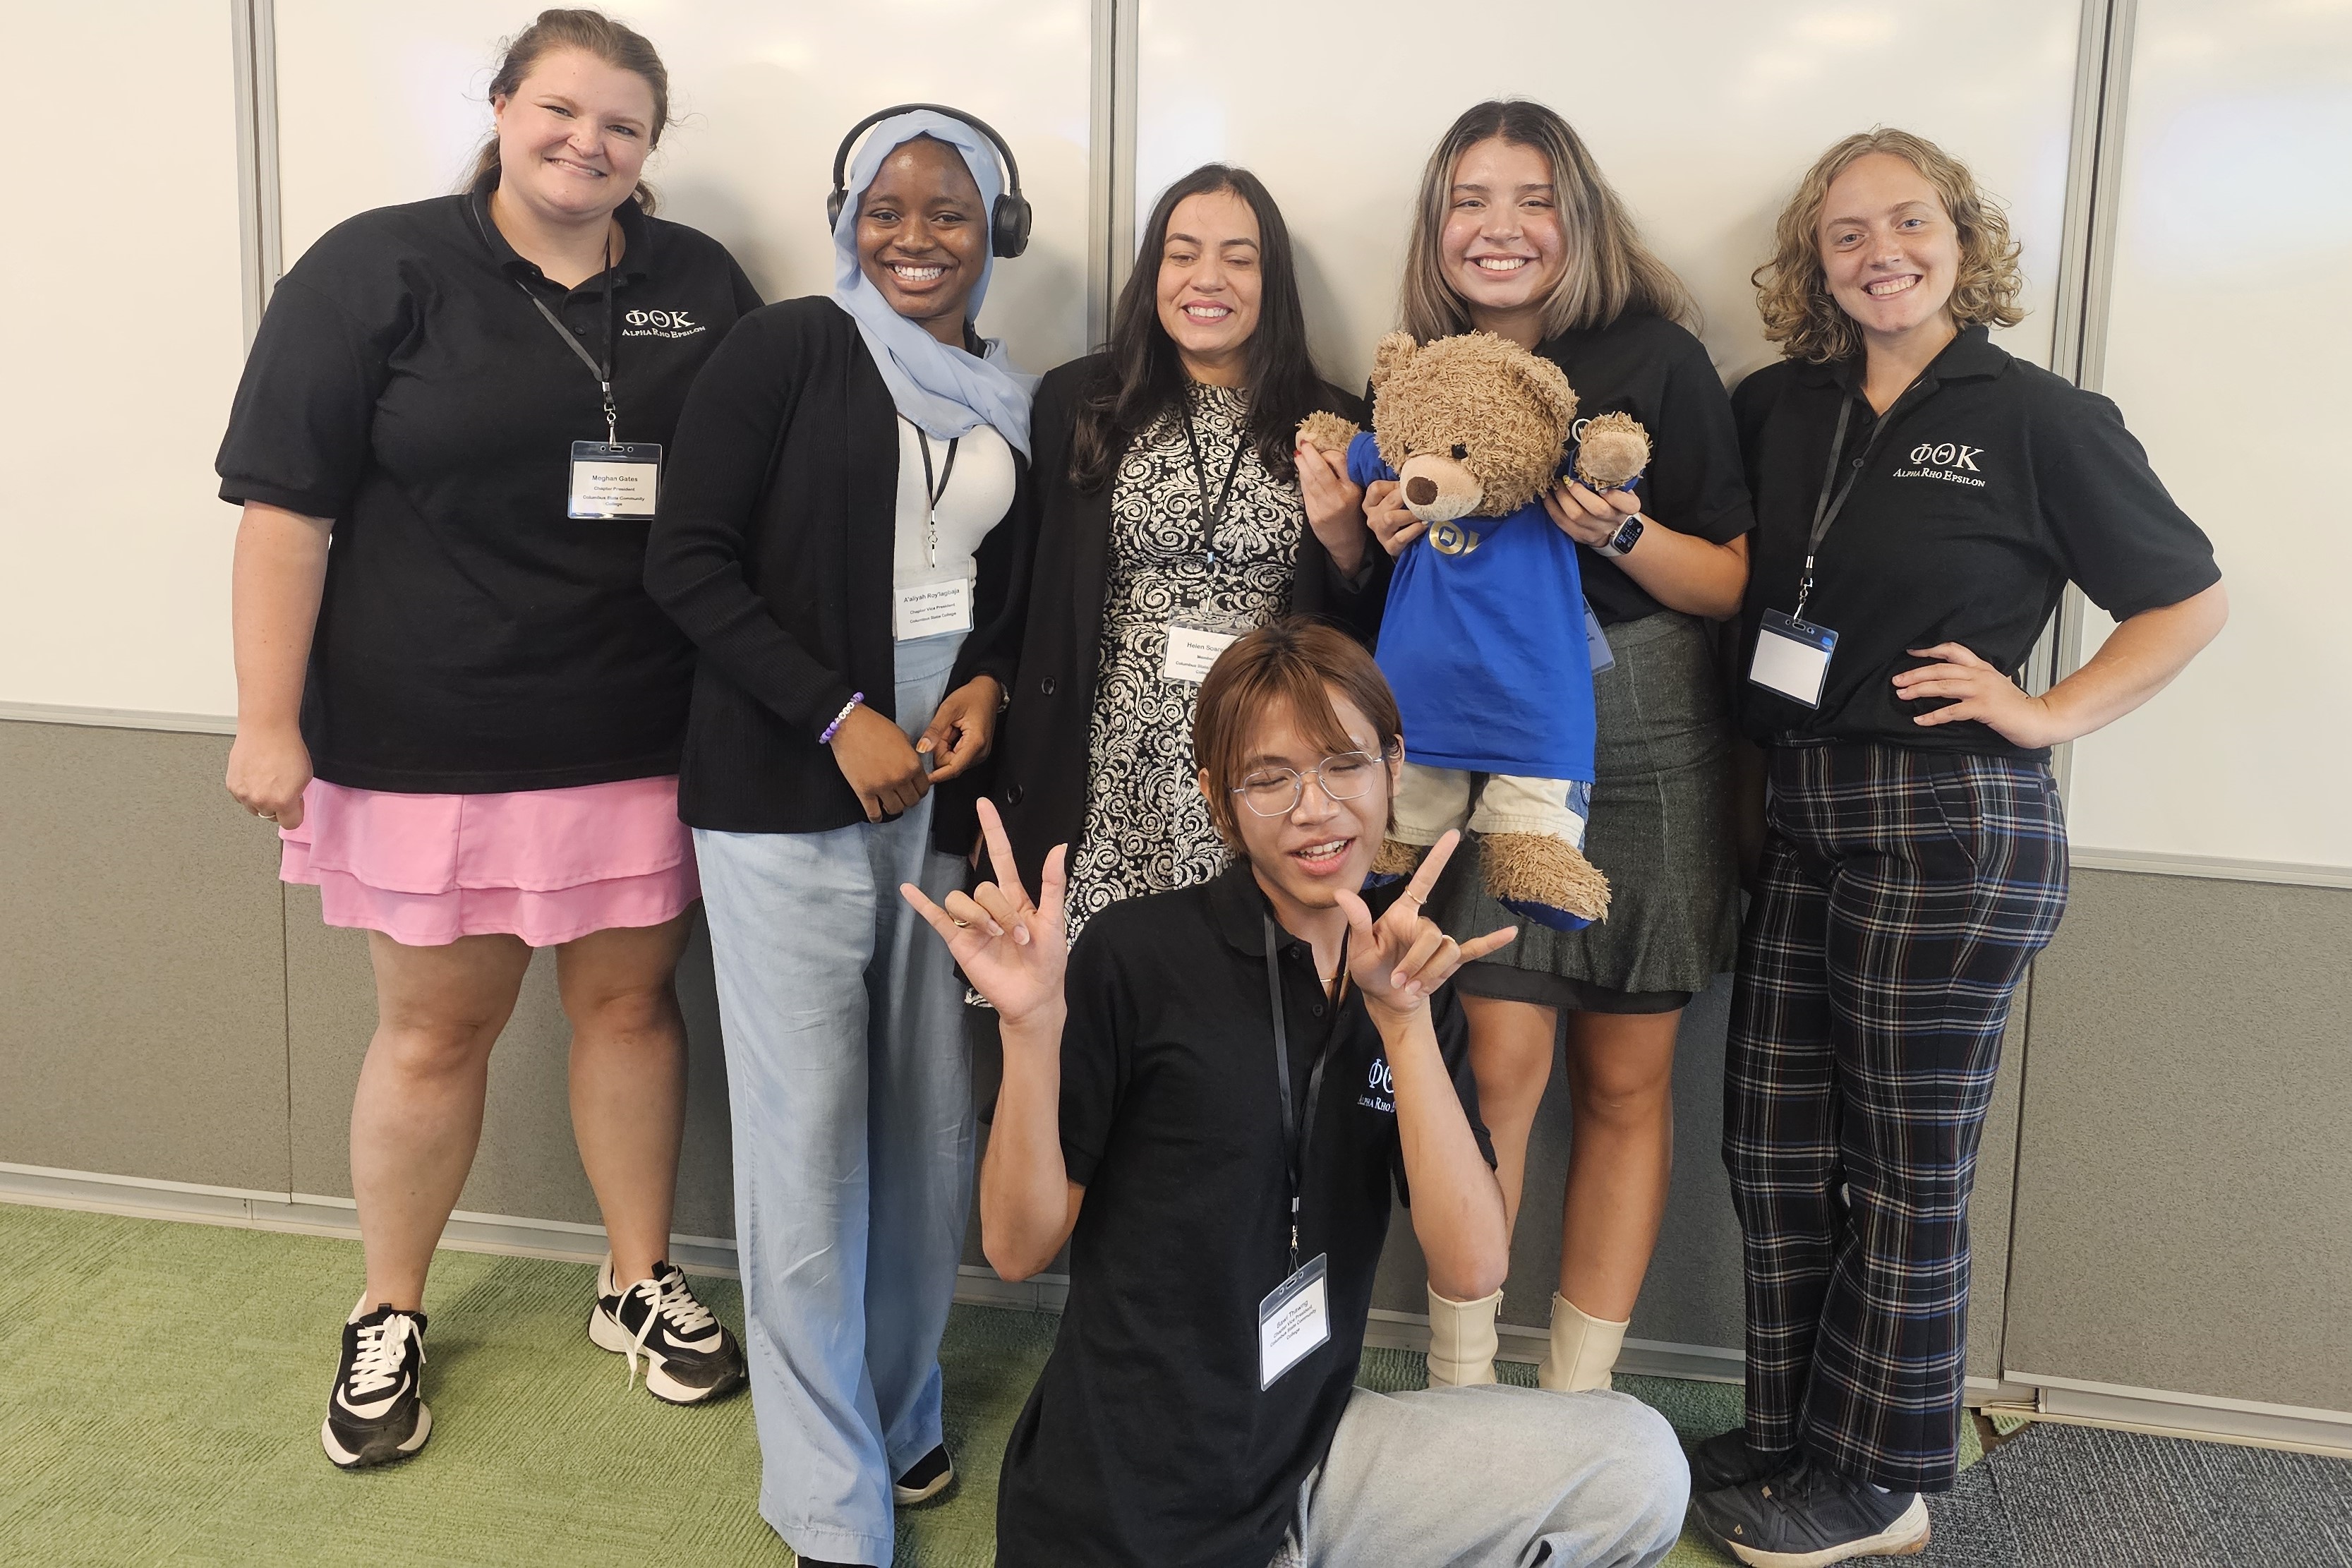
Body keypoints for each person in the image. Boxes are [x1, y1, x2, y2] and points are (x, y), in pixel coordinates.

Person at [215, 8, 761, 1471]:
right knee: (435, 1028)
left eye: (623, 125)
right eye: (563, 109)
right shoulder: (374, 268)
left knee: (631, 1012)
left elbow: (757, 490)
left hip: (642, 727)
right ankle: (387, 1307)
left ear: (650, 150)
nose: (587, 142)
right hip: (427, 733)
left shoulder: (698, 281)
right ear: (506, 104)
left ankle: (633, 1278)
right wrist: (269, 721)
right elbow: (286, 513)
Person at [1690, 130, 2226, 1565]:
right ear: (1814, 261)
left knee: (1902, 1167)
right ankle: (1792, 1427)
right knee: (1773, 1145)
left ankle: (1877, 1481)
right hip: (1798, 809)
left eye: (1906, 222)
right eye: (1846, 233)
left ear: (1960, 235)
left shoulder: (2037, 415)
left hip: (1948, 823)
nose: (1879, 253)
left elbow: (2184, 602)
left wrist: (2044, 709)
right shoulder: (1776, 408)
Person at [907, 618, 1689, 1568]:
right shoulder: (1140, 954)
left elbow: (1475, 1264)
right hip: (1126, 1498)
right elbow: (1017, 1247)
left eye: (1343, 764)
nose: (1315, 808)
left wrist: (1401, 1023)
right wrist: (1030, 1031)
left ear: (1393, 767)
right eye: (1269, 777)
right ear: (1219, 800)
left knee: (1635, 1462)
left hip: (1310, 1458)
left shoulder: (1409, 986)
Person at [643, 107, 1037, 1568]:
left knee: (925, 1126)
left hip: (940, 799)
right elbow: (684, 558)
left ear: (998, 230)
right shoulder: (787, 350)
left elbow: (1004, 580)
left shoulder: (1004, 391)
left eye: (950, 212)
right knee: (807, 1137)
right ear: (844, 218)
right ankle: (825, 1492)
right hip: (784, 794)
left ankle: (898, 1400)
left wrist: (984, 683)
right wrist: (834, 714)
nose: (917, 238)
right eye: (888, 209)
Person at [1365, 100, 1756, 1392]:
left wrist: (1619, 537)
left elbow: (1726, 585)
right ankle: (1459, 1387)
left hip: (1643, 740)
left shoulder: (1654, 359)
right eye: (1469, 199)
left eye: (1531, 198)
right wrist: (1360, 526)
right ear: (1436, 226)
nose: (1500, 227)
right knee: (1496, 1066)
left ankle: (1578, 1400)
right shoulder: (1417, 370)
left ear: (1575, 219)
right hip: (1483, 751)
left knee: (1626, 1077)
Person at [989, 164, 1380, 927]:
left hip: (1262, 759)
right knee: (1085, 1004)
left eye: (1240, 258)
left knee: (1237, 997)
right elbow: (1024, 591)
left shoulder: (1334, 421)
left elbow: (1374, 621)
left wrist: (1346, 547)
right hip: (1101, 757)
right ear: (1154, 271)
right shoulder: (1080, 403)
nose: (1209, 278)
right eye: (1182, 253)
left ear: (1274, 282)